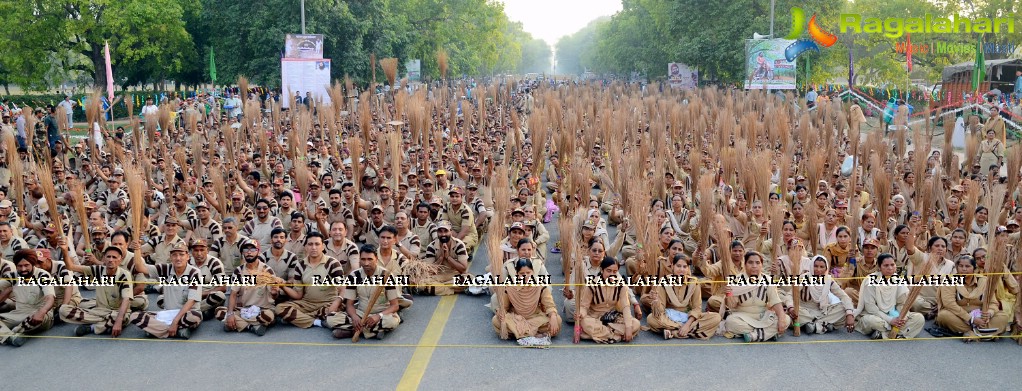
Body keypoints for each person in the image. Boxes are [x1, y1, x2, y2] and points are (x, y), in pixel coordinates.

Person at [128, 242, 202, 339]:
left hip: (186, 313)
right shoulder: (165, 269)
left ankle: (156, 330)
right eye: (174, 255)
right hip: (168, 313)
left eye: (181, 254)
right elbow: (140, 267)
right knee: (134, 316)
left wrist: (175, 321)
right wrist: (137, 250)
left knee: (195, 317)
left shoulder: (194, 272)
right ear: (170, 257)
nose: (178, 258)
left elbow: (191, 301)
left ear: (188, 256)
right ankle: (177, 330)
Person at [325, 245, 401, 340]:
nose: (366, 263)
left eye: (370, 259)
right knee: (331, 318)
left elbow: (395, 306)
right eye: (363, 259)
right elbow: (350, 304)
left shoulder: (386, 275)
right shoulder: (354, 275)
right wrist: (354, 317)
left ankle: (353, 331)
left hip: (380, 314)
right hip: (360, 313)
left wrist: (378, 316)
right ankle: (372, 332)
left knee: (392, 321)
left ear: (376, 259)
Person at [60, 246, 136, 337]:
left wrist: (119, 321)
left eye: (114, 257)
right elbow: (71, 267)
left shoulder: (124, 275)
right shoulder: (98, 270)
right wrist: (64, 251)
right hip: (100, 310)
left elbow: (126, 299)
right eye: (108, 257)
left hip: (116, 312)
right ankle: (106, 324)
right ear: (104, 258)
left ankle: (92, 327)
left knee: (121, 318)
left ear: (120, 260)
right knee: (63, 310)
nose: (111, 260)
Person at [641, 253, 720, 339]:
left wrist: (687, 325)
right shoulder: (664, 281)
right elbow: (661, 310)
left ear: (688, 268)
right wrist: (656, 301)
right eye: (678, 266)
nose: (681, 270)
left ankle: (673, 332)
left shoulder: (694, 282)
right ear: (672, 266)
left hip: (688, 318)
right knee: (651, 319)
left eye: (684, 267)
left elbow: (697, 308)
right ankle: (688, 332)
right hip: (669, 318)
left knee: (716, 317)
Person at [275, 232, 345, 328]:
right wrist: (283, 286)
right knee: (280, 308)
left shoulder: (332, 263)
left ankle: (298, 318)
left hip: (328, 303)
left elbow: (343, 289)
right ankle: (317, 322)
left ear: (323, 246)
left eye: (317, 244)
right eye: (310, 244)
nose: (313, 247)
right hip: (307, 303)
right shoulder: (300, 265)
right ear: (306, 247)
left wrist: (336, 302)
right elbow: (298, 295)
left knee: (333, 310)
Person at [934, 255, 1011, 341]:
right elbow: (949, 304)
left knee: (1003, 316)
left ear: (974, 268)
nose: (963, 269)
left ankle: (971, 334)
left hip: (981, 316)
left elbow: (992, 302)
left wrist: (989, 313)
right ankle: (987, 333)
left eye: (967, 266)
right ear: (957, 267)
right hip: (959, 316)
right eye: (961, 266)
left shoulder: (984, 281)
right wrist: (971, 319)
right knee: (943, 315)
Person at [723, 251, 790, 342]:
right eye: (750, 262)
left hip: (762, 316)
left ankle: (754, 335)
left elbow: (776, 302)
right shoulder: (737, 280)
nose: (754, 266)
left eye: (757, 263)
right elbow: (732, 306)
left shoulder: (767, 280)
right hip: (743, 316)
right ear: (745, 264)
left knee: (786, 319)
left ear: (761, 265)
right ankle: (768, 333)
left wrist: (782, 319)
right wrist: (729, 293)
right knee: (730, 322)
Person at [853, 254, 925, 339]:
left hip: (894, 315)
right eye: (886, 265)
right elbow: (871, 308)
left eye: (892, 265)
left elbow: (901, 303)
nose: (890, 268)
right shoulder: (871, 280)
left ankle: (884, 334)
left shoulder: (897, 279)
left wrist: (902, 317)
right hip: (875, 316)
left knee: (919, 318)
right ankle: (900, 333)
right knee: (873, 322)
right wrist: (890, 320)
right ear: (879, 267)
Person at [492, 258, 560, 346]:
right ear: (517, 274)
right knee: (496, 321)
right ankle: (534, 335)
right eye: (522, 274)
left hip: (536, 318)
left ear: (533, 272)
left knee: (557, 320)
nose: (526, 276)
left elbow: (549, 305)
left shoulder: (540, 285)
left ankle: (520, 334)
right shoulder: (510, 286)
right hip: (517, 319)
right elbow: (504, 307)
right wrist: (501, 312)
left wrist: (553, 316)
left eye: (528, 273)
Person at [216, 241, 280, 336]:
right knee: (219, 312)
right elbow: (233, 294)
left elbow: (274, 296)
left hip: (262, 309)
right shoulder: (239, 271)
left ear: (258, 252)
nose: (249, 252)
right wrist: (230, 314)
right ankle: (252, 327)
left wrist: (275, 293)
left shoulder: (266, 270)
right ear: (243, 253)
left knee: (268, 316)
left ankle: (237, 324)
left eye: (253, 249)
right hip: (244, 309)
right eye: (246, 249)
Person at [576, 256, 640, 344]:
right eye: (608, 271)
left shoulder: (621, 285)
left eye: (615, 272)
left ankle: (603, 335)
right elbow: (584, 306)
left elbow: (626, 307)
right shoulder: (592, 284)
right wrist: (580, 314)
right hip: (595, 318)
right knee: (585, 322)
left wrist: (628, 327)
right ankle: (618, 336)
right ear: (602, 270)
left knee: (635, 323)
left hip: (613, 317)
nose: (612, 274)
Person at [0, 250, 56, 347]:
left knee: (33, 320)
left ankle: (11, 332)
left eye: (26, 265)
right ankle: (11, 337)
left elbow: (50, 298)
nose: (23, 269)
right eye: (20, 266)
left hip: (40, 314)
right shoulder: (12, 276)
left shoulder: (42, 275)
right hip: (19, 313)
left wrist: (41, 312)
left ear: (33, 264)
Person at [794, 255, 855, 334]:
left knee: (845, 309)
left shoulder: (828, 280)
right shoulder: (804, 278)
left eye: (822, 267)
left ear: (826, 268)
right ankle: (825, 325)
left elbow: (843, 296)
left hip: (822, 311)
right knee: (795, 312)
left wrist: (849, 314)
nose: (818, 270)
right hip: (806, 311)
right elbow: (791, 295)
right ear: (811, 266)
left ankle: (814, 325)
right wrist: (791, 308)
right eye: (816, 266)